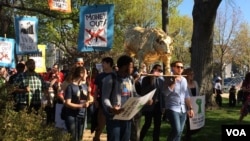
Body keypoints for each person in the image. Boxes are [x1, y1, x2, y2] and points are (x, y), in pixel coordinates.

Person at [101, 55, 137, 141]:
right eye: (131, 67)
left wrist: (146, 99)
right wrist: (111, 108)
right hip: (114, 117)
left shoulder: (130, 79)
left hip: (127, 116)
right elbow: (105, 98)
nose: (132, 69)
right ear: (124, 66)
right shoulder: (109, 79)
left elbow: (134, 94)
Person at [162, 61, 194, 141]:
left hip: (183, 109)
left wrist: (190, 108)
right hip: (172, 108)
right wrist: (173, 82)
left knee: (180, 132)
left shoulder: (184, 80)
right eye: (178, 67)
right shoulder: (168, 78)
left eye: (181, 67)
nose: (180, 69)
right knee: (177, 130)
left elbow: (186, 95)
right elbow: (165, 93)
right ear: (173, 67)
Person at [64, 66, 91, 141]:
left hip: (82, 115)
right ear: (81, 74)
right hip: (72, 116)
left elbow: (88, 99)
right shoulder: (70, 87)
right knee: (73, 137)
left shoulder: (84, 86)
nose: (87, 75)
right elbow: (67, 103)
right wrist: (81, 105)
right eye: (86, 73)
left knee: (79, 137)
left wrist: (89, 96)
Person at [139, 64, 164, 141]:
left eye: (160, 71)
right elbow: (143, 91)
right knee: (148, 123)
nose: (159, 72)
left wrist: (163, 106)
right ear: (153, 70)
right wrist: (151, 78)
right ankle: (140, 138)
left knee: (157, 125)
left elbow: (162, 93)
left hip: (157, 105)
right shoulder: (146, 79)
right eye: (157, 70)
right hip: (149, 105)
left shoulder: (161, 80)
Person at [92, 57, 114, 141]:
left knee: (111, 126)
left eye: (104, 63)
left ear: (109, 64)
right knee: (100, 124)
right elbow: (96, 89)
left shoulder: (115, 75)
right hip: (101, 103)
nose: (102, 64)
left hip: (113, 103)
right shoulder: (100, 76)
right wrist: (95, 100)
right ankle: (96, 138)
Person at [182, 68, 201, 141]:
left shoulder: (195, 83)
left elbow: (198, 94)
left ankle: (186, 136)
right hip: (187, 106)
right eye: (191, 74)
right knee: (189, 124)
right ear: (186, 75)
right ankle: (187, 138)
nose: (192, 75)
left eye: (193, 74)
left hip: (196, 105)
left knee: (198, 126)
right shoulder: (184, 83)